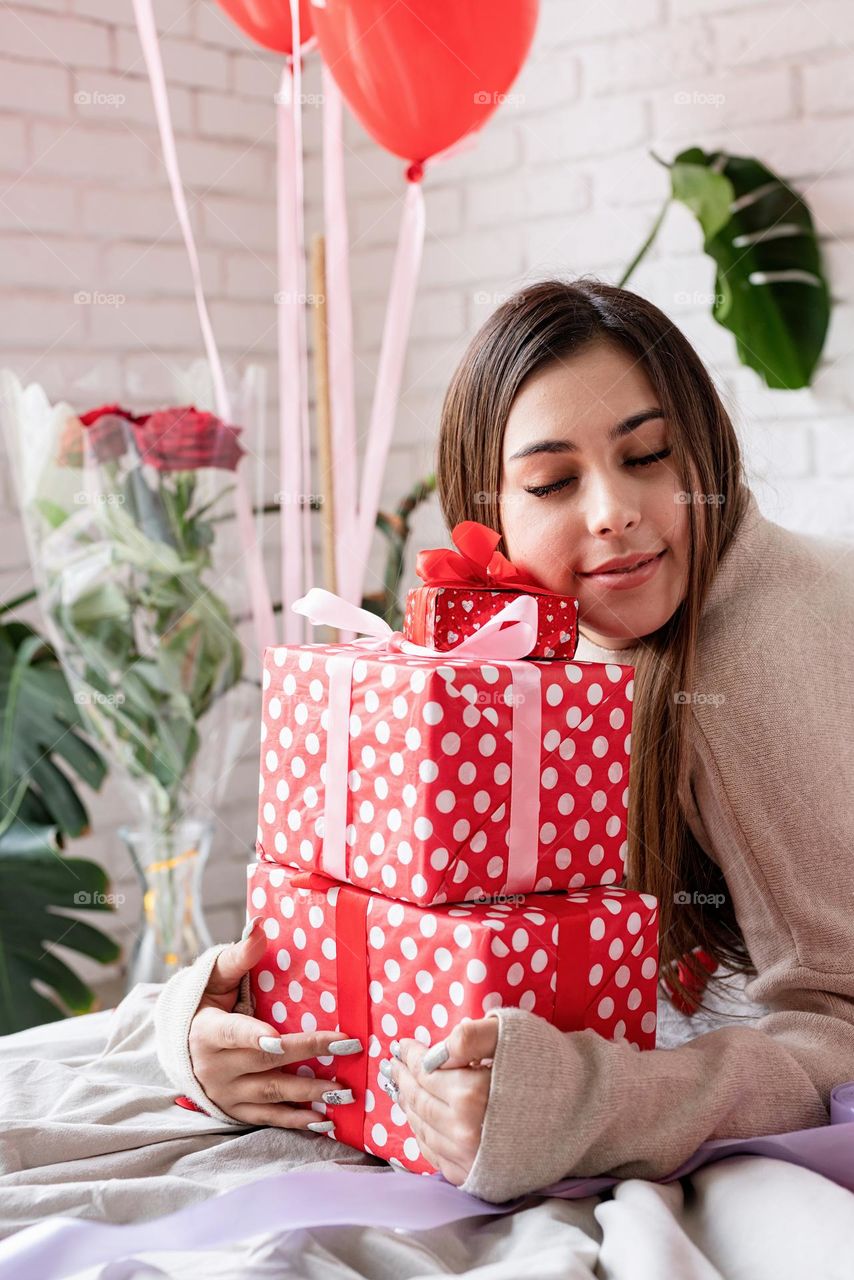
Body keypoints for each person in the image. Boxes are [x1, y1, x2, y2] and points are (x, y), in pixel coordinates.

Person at [155, 277, 854, 1205]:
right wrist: (214, 1026)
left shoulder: (746, 649)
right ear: (487, 516)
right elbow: (381, 916)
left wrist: (579, 1107)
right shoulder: (536, 667)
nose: (613, 509)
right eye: (554, 482)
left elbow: (837, 1031)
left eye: (648, 456)